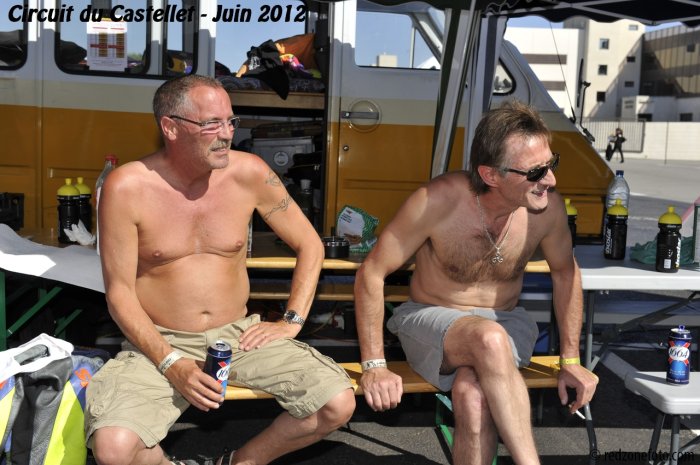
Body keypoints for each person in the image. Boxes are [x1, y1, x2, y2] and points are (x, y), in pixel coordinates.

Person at [85, 75, 355, 465]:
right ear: (170, 127)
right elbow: (120, 293)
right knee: (113, 449)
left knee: (337, 403)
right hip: (158, 342)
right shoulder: (126, 187)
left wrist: (292, 321)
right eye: (212, 123)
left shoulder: (250, 172)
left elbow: (310, 244)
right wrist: (170, 362)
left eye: (231, 121)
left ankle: (241, 461)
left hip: (239, 338)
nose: (227, 134)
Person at [354, 100, 598, 465]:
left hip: (506, 321)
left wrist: (571, 359)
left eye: (552, 164)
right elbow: (371, 272)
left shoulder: (548, 210)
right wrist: (374, 365)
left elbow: (566, 273)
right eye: (536, 172)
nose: (550, 180)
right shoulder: (438, 200)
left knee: (473, 397)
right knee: (488, 338)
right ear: (491, 175)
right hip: (430, 319)